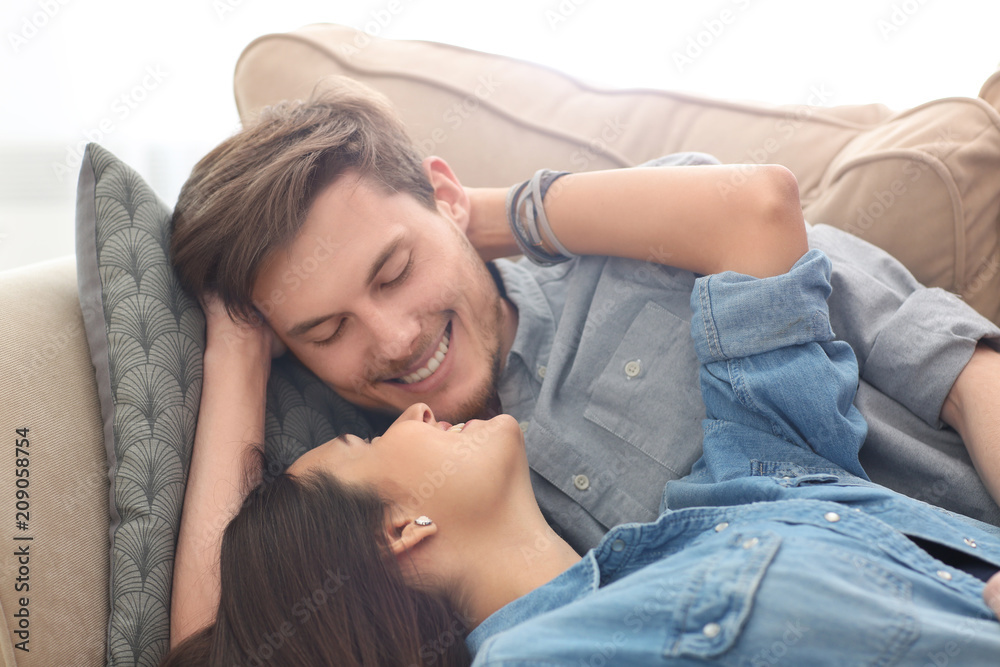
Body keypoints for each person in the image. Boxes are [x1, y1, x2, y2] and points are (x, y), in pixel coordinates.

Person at [168, 76, 1000, 646]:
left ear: (447, 199)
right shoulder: (389, 507)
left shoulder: (660, 240)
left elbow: (962, 371)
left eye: (395, 270)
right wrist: (238, 350)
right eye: (325, 329)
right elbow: (224, 642)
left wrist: (499, 214)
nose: (391, 339)